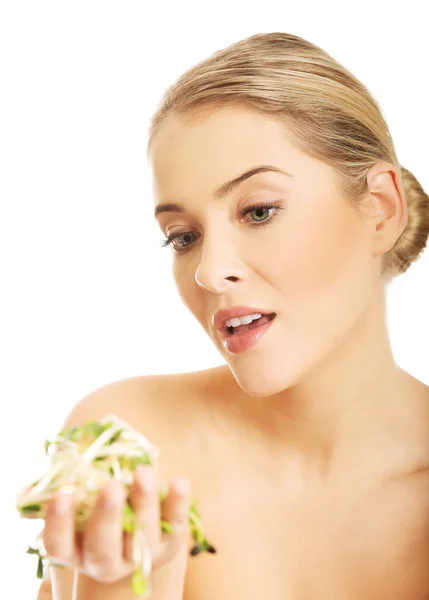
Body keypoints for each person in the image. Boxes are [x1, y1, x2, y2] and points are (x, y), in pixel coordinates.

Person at [39, 31, 429, 600]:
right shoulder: (125, 443)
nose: (209, 270)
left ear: (381, 209)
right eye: (183, 236)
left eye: (259, 210)